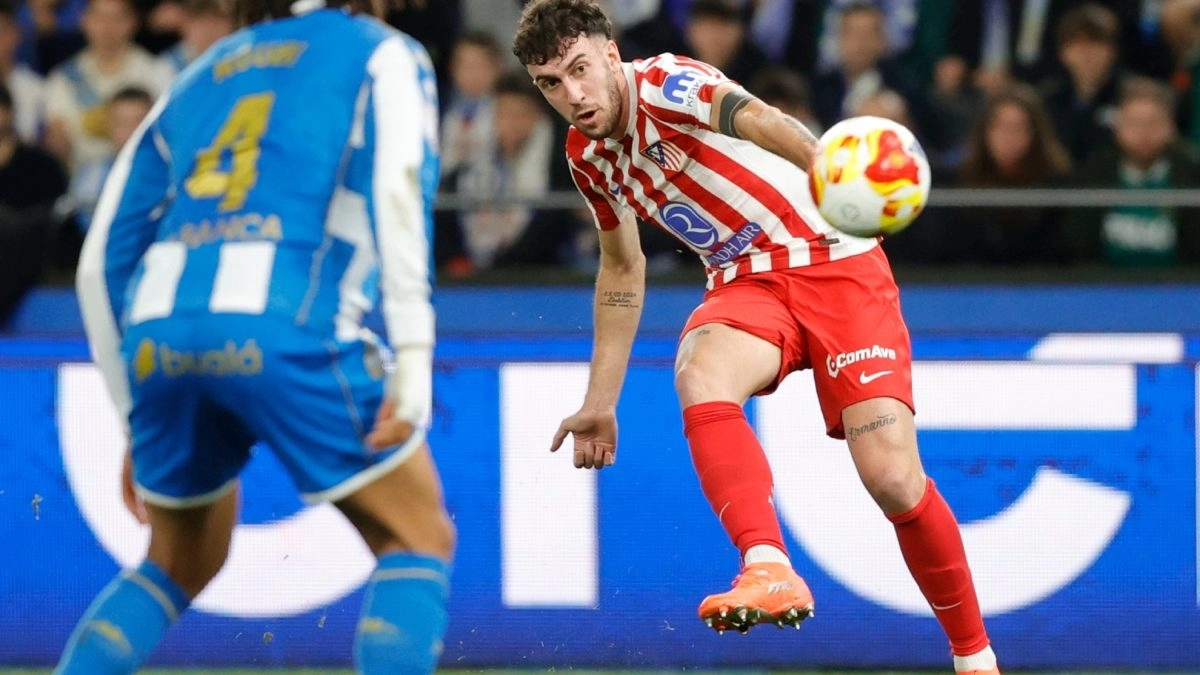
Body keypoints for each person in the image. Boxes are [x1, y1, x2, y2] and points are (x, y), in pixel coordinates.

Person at [512, 2, 1001, 674]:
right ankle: (767, 566)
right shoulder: (588, 158)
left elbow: (760, 118)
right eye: (550, 83)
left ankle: (975, 657)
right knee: (699, 367)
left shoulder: (668, 83)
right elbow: (622, 268)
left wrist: (827, 167)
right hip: (747, 281)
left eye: (579, 70)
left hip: (835, 260)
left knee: (892, 480)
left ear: (610, 52)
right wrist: (600, 399)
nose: (573, 95)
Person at [58, 0, 454, 672]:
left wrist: (133, 415)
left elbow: (99, 264)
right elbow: (400, 190)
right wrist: (414, 356)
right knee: (416, 535)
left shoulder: (197, 73)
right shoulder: (382, 51)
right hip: (286, 323)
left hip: (160, 333)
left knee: (177, 561)